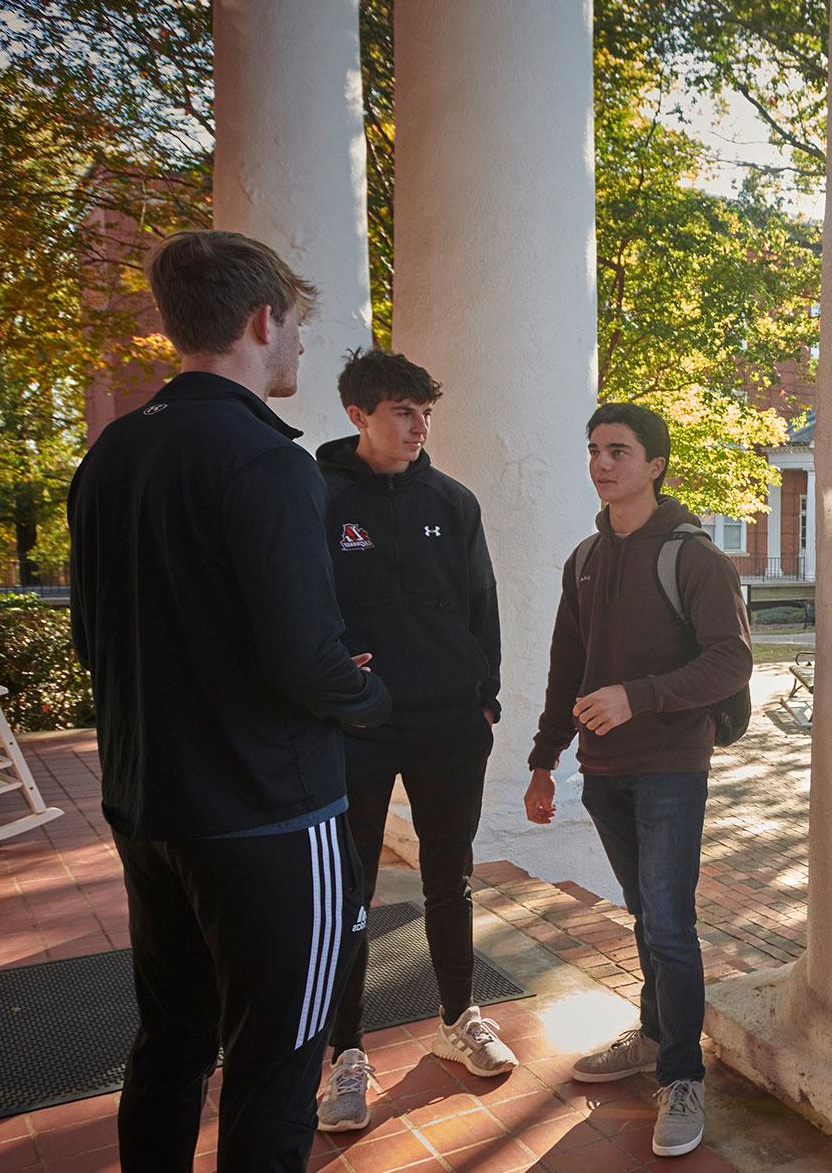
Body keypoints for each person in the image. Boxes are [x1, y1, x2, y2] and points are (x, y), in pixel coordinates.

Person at [67, 229, 391, 1169]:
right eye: (293, 325)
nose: (296, 347)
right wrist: (369, 693)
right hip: (267, 818)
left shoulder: (111, 454)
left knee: (169, 1044)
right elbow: (305, 659)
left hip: (148, 809)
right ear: (261, 319)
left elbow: (95, 641)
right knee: (275, 1066)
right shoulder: (269, 459)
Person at [524, 403, 752, 1159]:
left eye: (618, 450)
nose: (601, 462)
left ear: (655, 464)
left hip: (670, 768)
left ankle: (682, 1075)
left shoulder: (693, 557)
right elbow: (567, 667)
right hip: (602, 771)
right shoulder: (585, 560)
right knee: (644, 915)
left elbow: (730, 660)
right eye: (594, 449)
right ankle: (655, 1033)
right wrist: (543, 758)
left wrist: (640, 695)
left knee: (670, 923)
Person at [310, 349, 514, 1132]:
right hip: (355, 726)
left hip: (448, 725)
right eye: (402, 410)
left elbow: (481, 603)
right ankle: (346, 1054)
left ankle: (459, 1016)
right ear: (360, 414)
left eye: (424, 411)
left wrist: (484, 699)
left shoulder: (452, 501)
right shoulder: (319, 498)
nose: (418, 425)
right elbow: (301, 606)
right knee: (350, 891)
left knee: (449, 876)